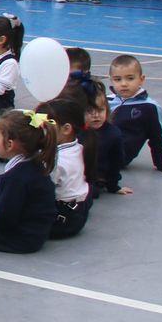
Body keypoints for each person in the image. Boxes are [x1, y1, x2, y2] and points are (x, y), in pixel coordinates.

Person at [0, 110, 59, 255]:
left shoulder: (16, 177)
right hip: (36, 232)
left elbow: (5, 220)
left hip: (20, 238)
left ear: (10, 144)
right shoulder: (34, 163)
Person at [106, 54, 162, 175]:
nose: (124, 84)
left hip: (119, 156)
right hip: (100, 148)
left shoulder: (149, 107)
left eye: (130, 78)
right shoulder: (106, 100)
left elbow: (157, 137)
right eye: (118, 79)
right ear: (111, 80)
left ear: (141, 79)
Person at [38, 96, 93, 240]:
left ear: (66, 129)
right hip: (79, 210)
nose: (39, 131)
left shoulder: (57, 160)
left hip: (62, 219)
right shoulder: (79, 146)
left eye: (44, 127)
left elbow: (41, 191)